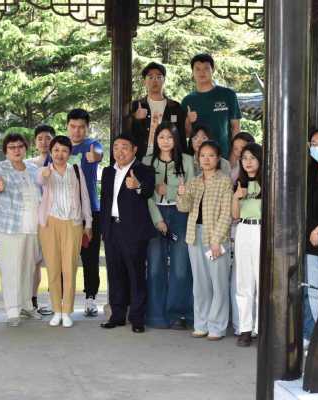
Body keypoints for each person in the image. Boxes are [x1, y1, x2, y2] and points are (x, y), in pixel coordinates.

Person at [177, 140, 233, 341]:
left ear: (218, 159)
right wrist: (181, 194)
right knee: (200, 284)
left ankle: (217, 327)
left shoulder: (224, 181)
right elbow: (183, 208)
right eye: (202, 156)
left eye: (211, 155)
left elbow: (227, 213)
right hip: (195, 236)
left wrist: (216, 240)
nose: (206, 159)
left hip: (216, 237)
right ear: (197, 159)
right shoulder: (194, 182)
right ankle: (201, 324)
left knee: (218, 283)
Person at [99, 134, 155, 333]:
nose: (119, 151)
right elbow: (105, 201)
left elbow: (149, 191)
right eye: (116, 147)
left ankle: (137, 318)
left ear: (134, 150)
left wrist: (137, 186)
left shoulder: (144, 170)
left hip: (133, 231)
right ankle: (117, 316)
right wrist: (104, 229)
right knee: (115, 274)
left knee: (136, 275)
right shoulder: (108, 172)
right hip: (112, 228)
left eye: (124, 147)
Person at [143, 123, 195, 330]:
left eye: (169, 137)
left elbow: (191, 191)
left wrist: (170, 190)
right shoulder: (147, 161)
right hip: (154, 214)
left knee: (181, 268)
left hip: (180, 214)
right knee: (155, 267)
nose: (165, 141)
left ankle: (179, 314)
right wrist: (157, 219)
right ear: (156, 139)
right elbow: (145, 194)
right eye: (161, 137)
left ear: (176, 139)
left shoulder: (187, 161)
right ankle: (156, 315)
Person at [37, 135, 92, 328]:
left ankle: (67, 310)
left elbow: (85, 197)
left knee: (70, 269)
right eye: (56, 150)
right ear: (51, 152)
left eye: (64, 150)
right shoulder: (44, 170)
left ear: (70, 153)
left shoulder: (76, 170)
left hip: (73, 223)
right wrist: (45, 174)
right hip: (49, 224)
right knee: (53, 269)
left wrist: (88, 223)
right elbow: (40, 180)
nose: (60, 154)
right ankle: (56, 310)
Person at [0, 133, 43, 326]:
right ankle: (12, 310)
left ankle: (27, 306)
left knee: (29, 268)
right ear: (5, 151)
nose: (16, 150)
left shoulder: (33, 168)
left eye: (20, 146)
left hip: (33, 226)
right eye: (12, 147)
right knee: (11, 268)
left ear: (25, 148)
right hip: (10, 227)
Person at [66, 109, 103, 317]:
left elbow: (98, 153)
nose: (77, 131)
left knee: (90, 258)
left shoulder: (92, 144)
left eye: (81, 127)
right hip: (64, 213)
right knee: (64, 257)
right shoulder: (60, 146)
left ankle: (90, 298)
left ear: (87, 128)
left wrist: (94, 156)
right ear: (67, 127)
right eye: (73, 126)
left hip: (91, 212)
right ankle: (62, 298)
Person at [231, 142, 262, 347]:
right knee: (243, 281)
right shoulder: (239, 183)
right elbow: (235, 215)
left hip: (261, 230)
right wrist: (236, 197)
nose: (248, 162)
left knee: (261, 280)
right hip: (243, 229)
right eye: (244, 158)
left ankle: (261, 327)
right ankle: (245, 329)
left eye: (252, 158)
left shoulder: (267, 182)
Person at [182, 54, 242, 159]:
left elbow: (235, 128)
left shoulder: (228, 95)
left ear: (213, 70)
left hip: (224, 157)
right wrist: (188, 121)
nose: (202, 72)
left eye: (206, 68)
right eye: (198, 69)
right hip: (198, 160)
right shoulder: (187, 100)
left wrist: (234, 156)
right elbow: (186, 134)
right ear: (192, 72)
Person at [131, 62, 187, 159]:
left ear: (164, 80)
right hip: (141, 157)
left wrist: (183, 159)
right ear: (144, 81)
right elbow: (128, 135)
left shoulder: (175, 107)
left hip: (168, 158)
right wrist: (136, 119)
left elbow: (181, 136)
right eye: (150, 77)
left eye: (159, 77)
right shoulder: (136, 106)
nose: (155, 80)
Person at [28, 124, 55, 315]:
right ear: (35, 142)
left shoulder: (61, 161)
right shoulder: (28, 164)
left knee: (54, 261)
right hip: (35, 218)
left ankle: (56, 301)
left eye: (48, 138)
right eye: (40, 139)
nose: (44, 142)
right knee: (34, 262)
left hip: (56, 217)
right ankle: (32, 300)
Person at [305, 127, 318, 347]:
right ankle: (314, 336)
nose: (317, 147)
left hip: (317, 235)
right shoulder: (309, 173)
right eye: (314, 144)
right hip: (310, 243)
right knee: (312, 290)